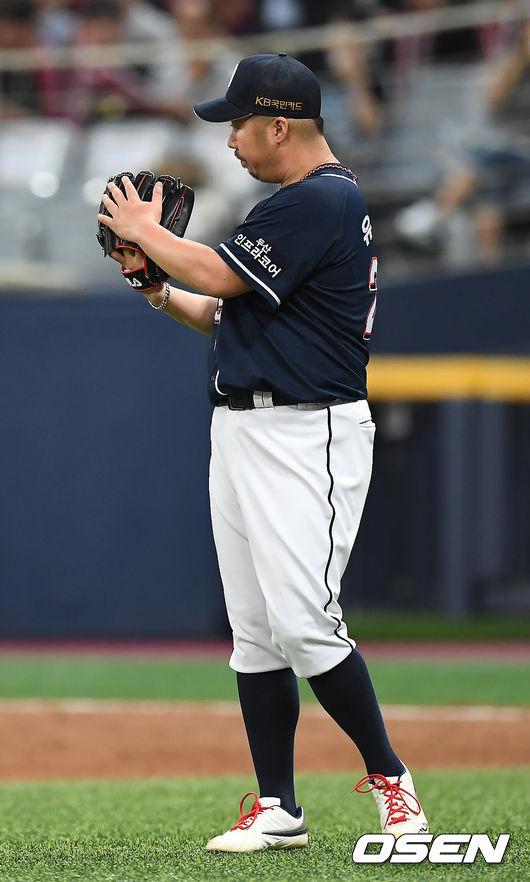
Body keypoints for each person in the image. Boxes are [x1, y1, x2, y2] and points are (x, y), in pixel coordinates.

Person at [98, 52, 429, 853]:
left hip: (304, 431)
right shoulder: (295, 204)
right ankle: (278, 804)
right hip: (244, 425)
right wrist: (151, 285)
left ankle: (394, 784)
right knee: (254, 632)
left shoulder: (321, 199)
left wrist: (146, 231)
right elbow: (222, 315)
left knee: (307, 624)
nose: (231, 140)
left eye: (239, 123)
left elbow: (214, 271)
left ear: (280, 124)